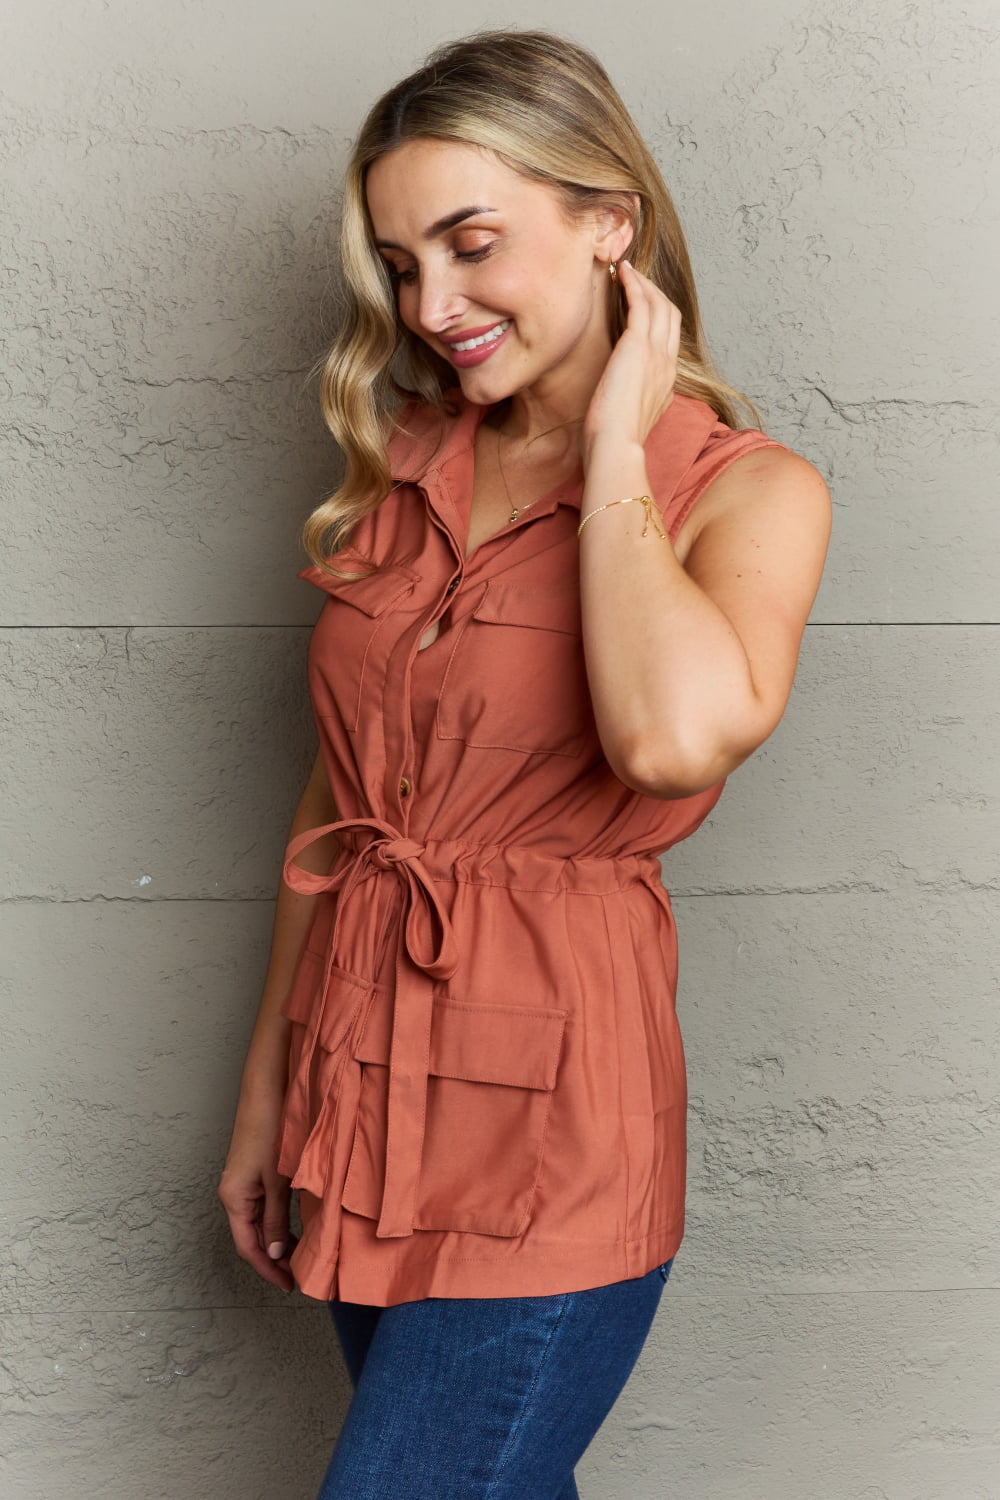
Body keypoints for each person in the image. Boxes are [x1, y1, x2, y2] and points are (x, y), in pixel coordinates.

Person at [218, 28, 831, 1499]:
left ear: (607, 221)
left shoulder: (747, 495)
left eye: (471, 242)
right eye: (400, 261)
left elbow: (670, 737)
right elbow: (340, 800)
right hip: (356, 1094)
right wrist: (266, 1097)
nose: (432, 304)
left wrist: (615, 448)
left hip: (551, 1132)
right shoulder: (403, 467)